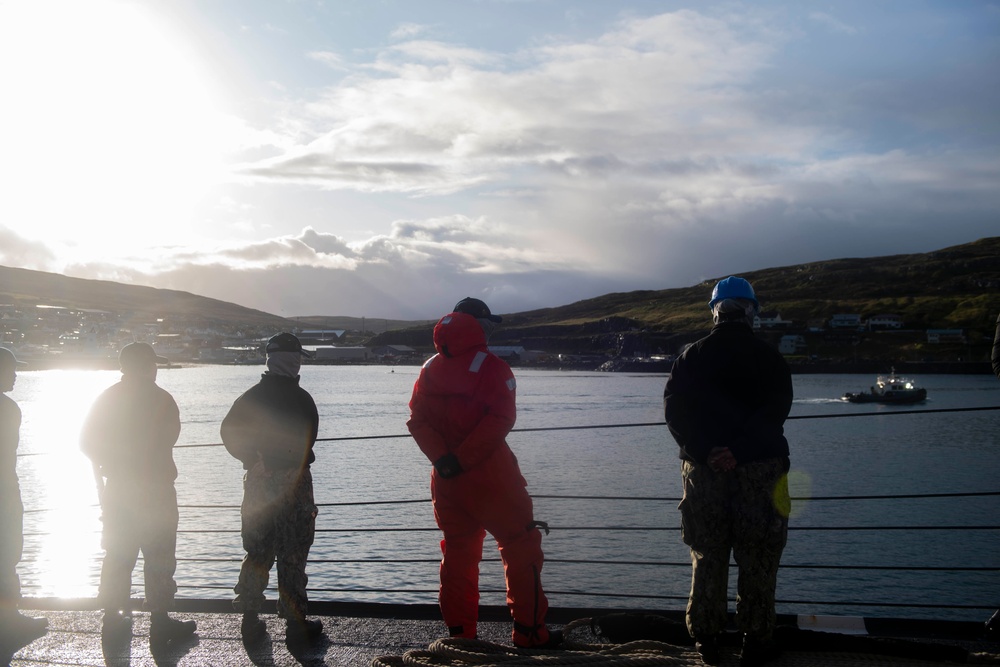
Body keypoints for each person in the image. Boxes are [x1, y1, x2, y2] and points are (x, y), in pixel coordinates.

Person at [406, 297, 561, 649]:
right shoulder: (493, 367)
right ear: (481, 327)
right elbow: (500, 419)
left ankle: (461, 636)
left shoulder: (429, 369)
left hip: (446, 481)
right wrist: (463, 459)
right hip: (491, 478)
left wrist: (444, 460)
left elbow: (417, 420)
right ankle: (530, 633)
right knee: (520, 547)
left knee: (458, 555)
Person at [662, 277, 792, 667]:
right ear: (751, 311)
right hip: (761, 470)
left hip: (704, 470)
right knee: (759, 555)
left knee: (708, 552)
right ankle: (756, 639)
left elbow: (674, 411)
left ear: (714, 311)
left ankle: (707, 638)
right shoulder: (769, 357)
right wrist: (740, 451)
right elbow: (776, 412)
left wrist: (708, 451)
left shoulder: (691, 356)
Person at [80, 342, 196, 645]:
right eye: (153, 364)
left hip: (118, 488)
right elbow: (170, 437)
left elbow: (85, 442)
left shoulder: (107, 398)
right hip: (156, 489)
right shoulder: (162, 399)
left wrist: (110, 461)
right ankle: (160, 621)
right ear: (146, 366)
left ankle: (112, 617)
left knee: (118, 554)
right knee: (159, 555)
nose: (156, 368)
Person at [221, 332, 322, 643]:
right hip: (294, 483)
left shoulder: (250, 397)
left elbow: (228, 432)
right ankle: (295, 624)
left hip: (258, 481)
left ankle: (250, 620)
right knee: (293, 552)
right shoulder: (302, 399)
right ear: (293, 360)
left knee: (258, 550)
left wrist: (253, 458)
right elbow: (309, 439)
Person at [0, 348, 48, 647]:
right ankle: (10, 619)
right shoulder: (8, 408)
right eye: (11, 369)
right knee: (8, 551)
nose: (16, 375)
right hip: (4, 488)